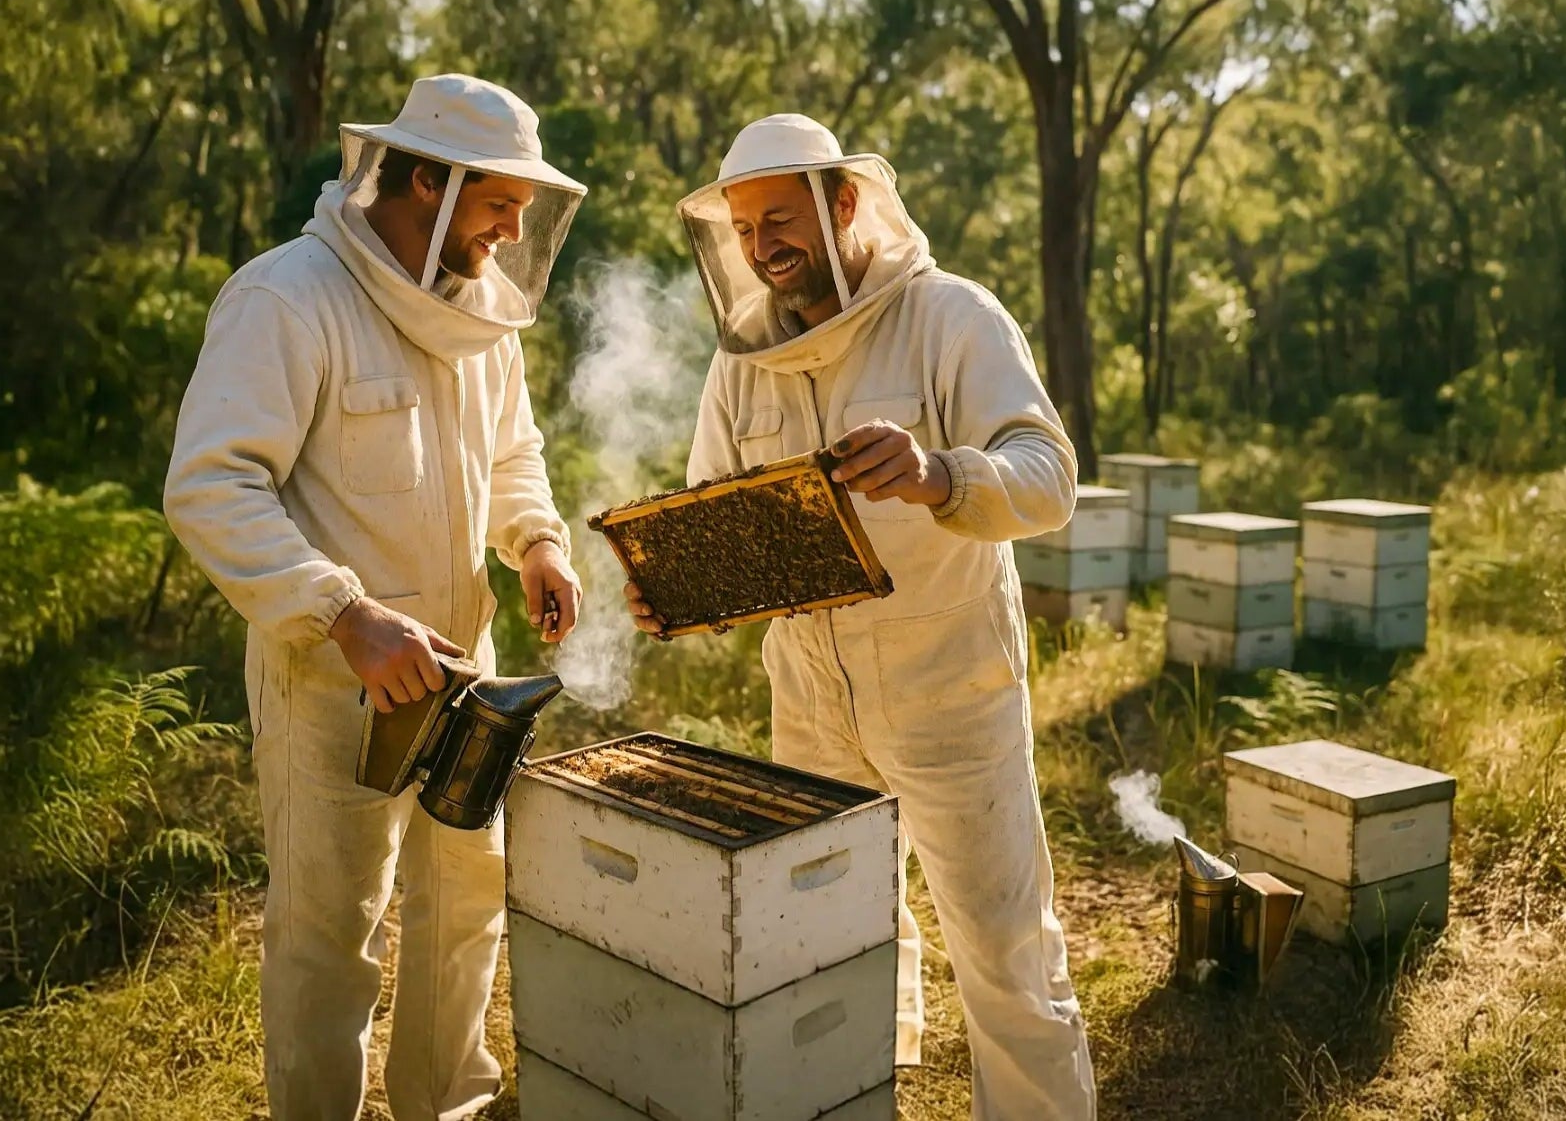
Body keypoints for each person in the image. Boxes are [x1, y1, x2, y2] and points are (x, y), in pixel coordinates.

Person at [625, 113, 1098, 1119]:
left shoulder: (951, 316)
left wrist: (940, 474)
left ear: (844, 203)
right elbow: (716, 506)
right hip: (808, 695)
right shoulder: (742, 358)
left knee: (1005, 949)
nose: (761, 246)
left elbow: (1049, 475)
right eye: (744, 228)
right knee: (822, 945)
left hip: (949, 683)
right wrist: (680, 583)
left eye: (779, 219)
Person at [164, 74, 586, 1121]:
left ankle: (445, 1105)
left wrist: (536, 540)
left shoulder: (483, 316)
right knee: (329, 937)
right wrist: (343, 613)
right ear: (428, 181)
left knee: (465, 907)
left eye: (524, 207)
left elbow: (512, 454)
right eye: (500, 201)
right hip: (332, 683)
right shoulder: (288, 297)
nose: (513, 227)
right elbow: (212, 486)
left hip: (465, 675)